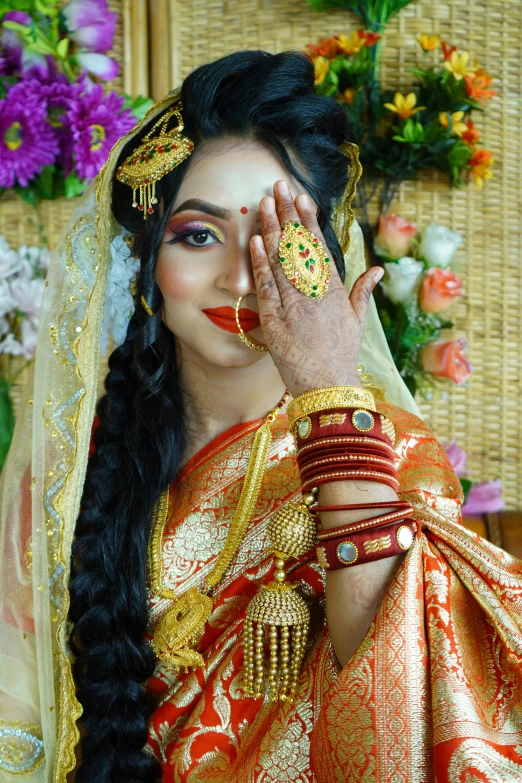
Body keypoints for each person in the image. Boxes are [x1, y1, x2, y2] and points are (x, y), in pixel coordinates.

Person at [0, 51, 521, 783]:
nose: (242, 275)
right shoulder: (72, 470)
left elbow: (398, 701)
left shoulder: (392, 453)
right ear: (145, 263)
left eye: (280, 239)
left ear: (332, 258)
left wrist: (327, 390)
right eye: (198, 234)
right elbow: (19, 720)